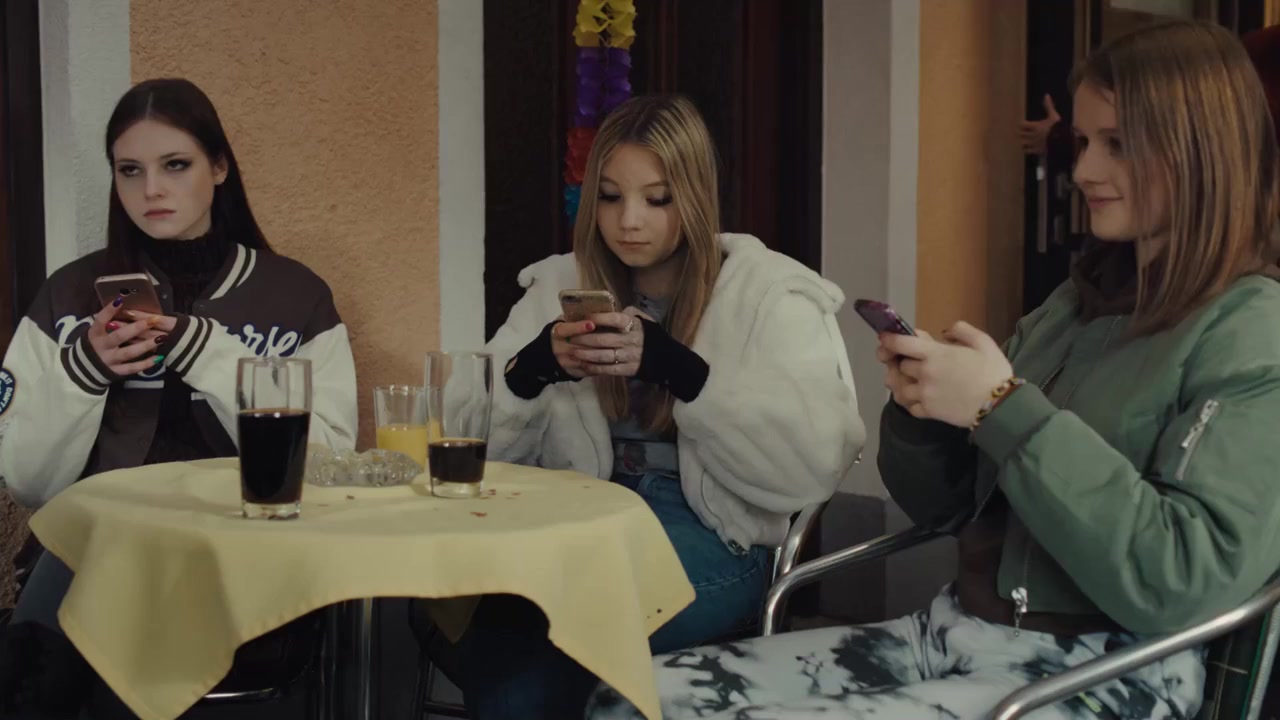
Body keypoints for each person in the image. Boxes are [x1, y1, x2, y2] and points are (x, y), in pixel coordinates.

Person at [588, 19, 1280, 720]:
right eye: (1084, 142)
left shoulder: (1252, 331)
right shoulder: (1075, 306)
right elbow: (947, 507)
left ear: (1198, 150)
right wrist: (926, 411)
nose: (1083, 172)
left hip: (1104, 675)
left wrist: (1002, 407)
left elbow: (1185, 576)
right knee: (631, 702)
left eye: (1117, 144)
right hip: (953, 634)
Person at [418, 94, 865, 718]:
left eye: (658, 199)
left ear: (696, 196)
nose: (629, 220)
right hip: (576, 518)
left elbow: (814, 464)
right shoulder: (556, 284)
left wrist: (682, 372)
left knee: (537, 635)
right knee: (482, 614)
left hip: (712, 534)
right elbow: (458, 439)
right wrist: (531, 371)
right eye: (609, 196)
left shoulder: (767, 291)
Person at [0, 77, 358, 717]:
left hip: (242, 561)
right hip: (94, 554)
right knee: (60, 645)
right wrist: (83, 370)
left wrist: (208, 354)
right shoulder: (67, 295)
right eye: (129, 170)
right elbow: (29, 484)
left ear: (218, 167)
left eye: (175, 165)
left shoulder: (296, 296)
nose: (151, 190)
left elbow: (329, 463)